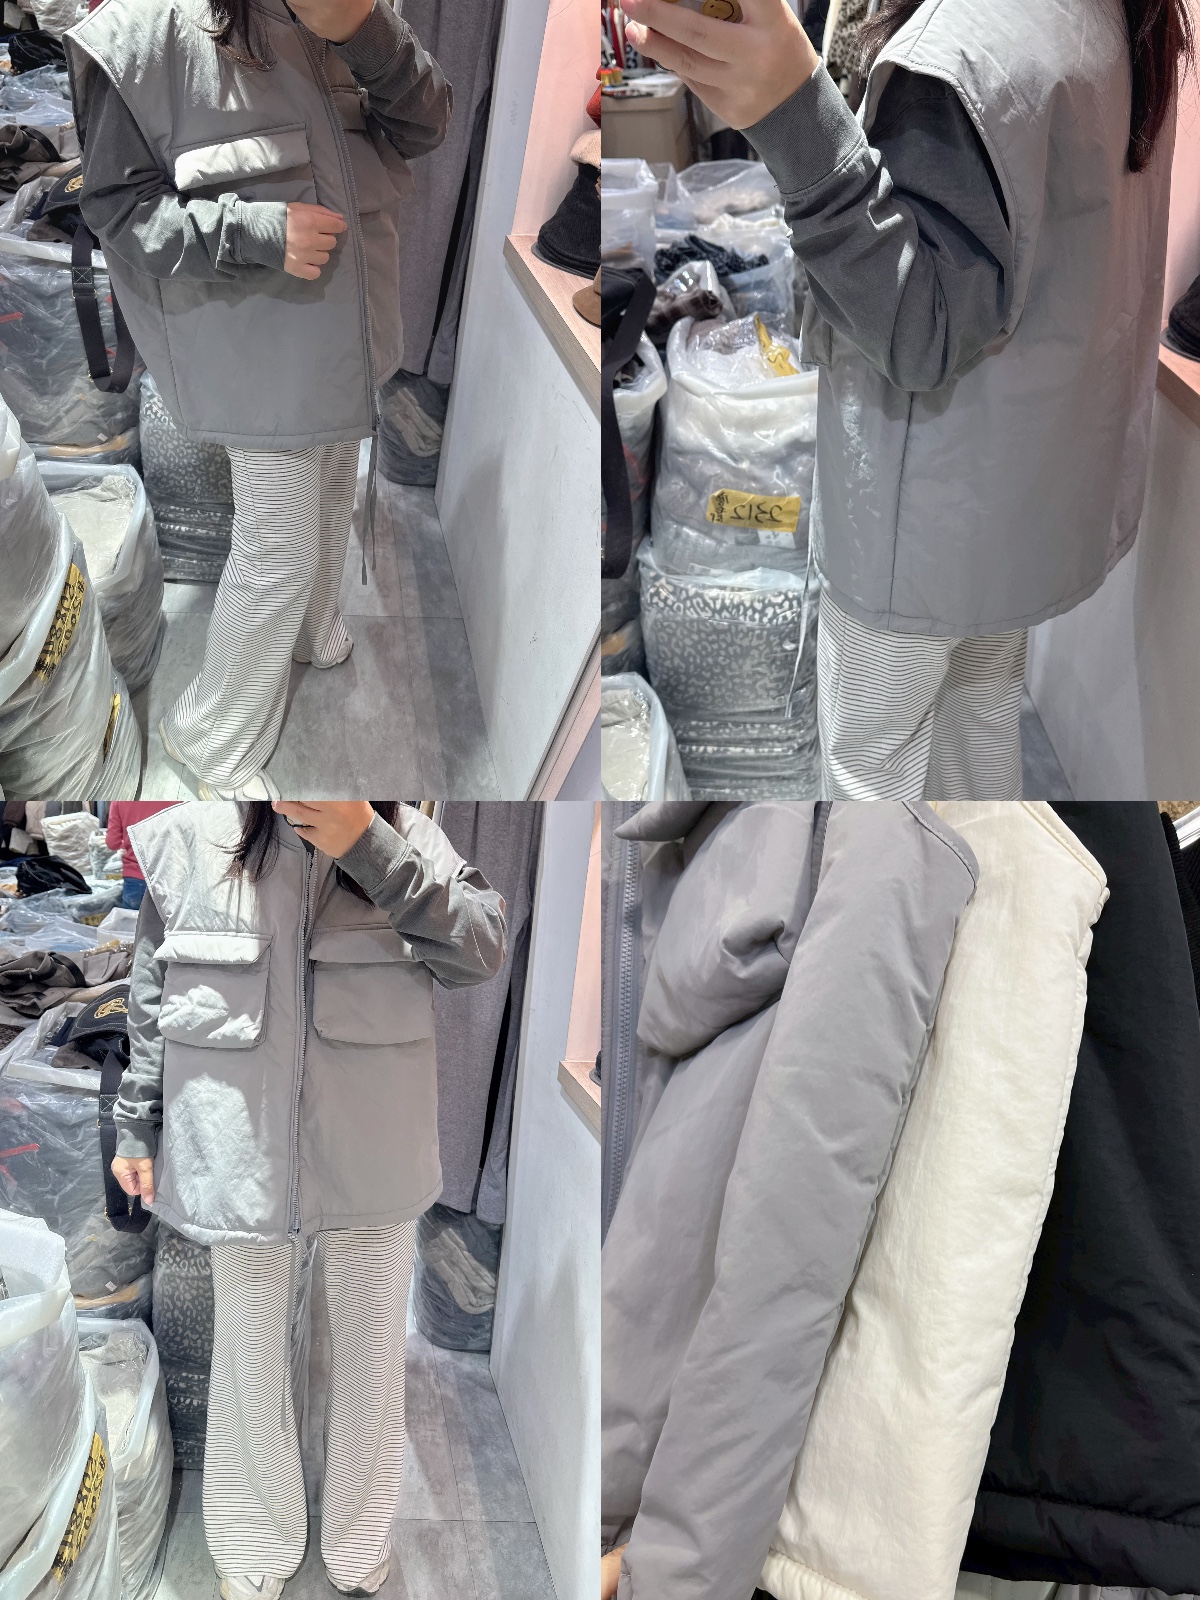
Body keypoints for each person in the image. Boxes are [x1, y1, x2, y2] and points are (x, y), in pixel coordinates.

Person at [622, 0, 1191, 801]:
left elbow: (917, 332)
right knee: (979, 729)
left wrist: (795, 115)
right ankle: (965, 879)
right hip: (1013, 502)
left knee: (868, 775)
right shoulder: (1117, 18)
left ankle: (914, 888)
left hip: (918, 521)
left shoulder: (955, 54)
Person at [109, 799, 506, 1600]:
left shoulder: (408, 837)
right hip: (242, 1142)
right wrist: (135, 1123)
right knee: (248, 1346)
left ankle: (359, 1541)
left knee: (370, 1350)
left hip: (375, 1144)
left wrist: (372, 848)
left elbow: (481, 949)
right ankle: (254, 1534)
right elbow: (153, 991)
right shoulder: (194, 837)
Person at [64, 0, 452, 799]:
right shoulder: (146, 32)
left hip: (350, 325)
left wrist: (364, 29)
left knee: (337, 482)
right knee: (277, 548)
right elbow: (117, 208)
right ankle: (210, 738)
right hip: (263, 341)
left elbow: (424, 126)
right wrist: (254, 231)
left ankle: (313, 626)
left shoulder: (353, 9)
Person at [105, 799, 177, 907]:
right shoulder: (176, 798)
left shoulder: (120, 800)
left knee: (132, 917)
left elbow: (112, 843)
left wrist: (127, 844)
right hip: (168, 877)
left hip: (135, 875)